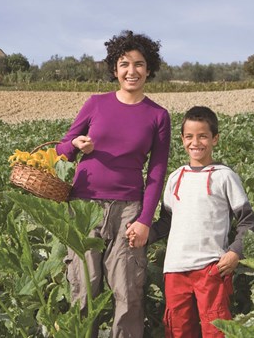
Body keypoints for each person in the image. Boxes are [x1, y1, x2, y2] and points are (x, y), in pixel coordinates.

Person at [55, 30, 171, 337]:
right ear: (114, 69)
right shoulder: (95, 104)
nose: (131, 71)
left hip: (129, 211)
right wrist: (76, 146)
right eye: (124, 64)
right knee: (84, 288)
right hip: (84, 206)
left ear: (149, 69)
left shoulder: (158, 115)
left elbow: (157, 171)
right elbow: (61, 148)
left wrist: (145, 219)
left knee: (128, 291)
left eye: (139, 64)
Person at [139, 106, 254, 337]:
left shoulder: (224, 176)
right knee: (178, 329)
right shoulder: (175, 177)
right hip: (175, 269)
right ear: (182, 139)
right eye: (190, 136)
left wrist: (235, 252)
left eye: (203, 136)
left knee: (216, 329)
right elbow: (166, 221)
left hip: (211, 268)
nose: (196, 142)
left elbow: (248, 221)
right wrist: (146, 235)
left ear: (215, 139)